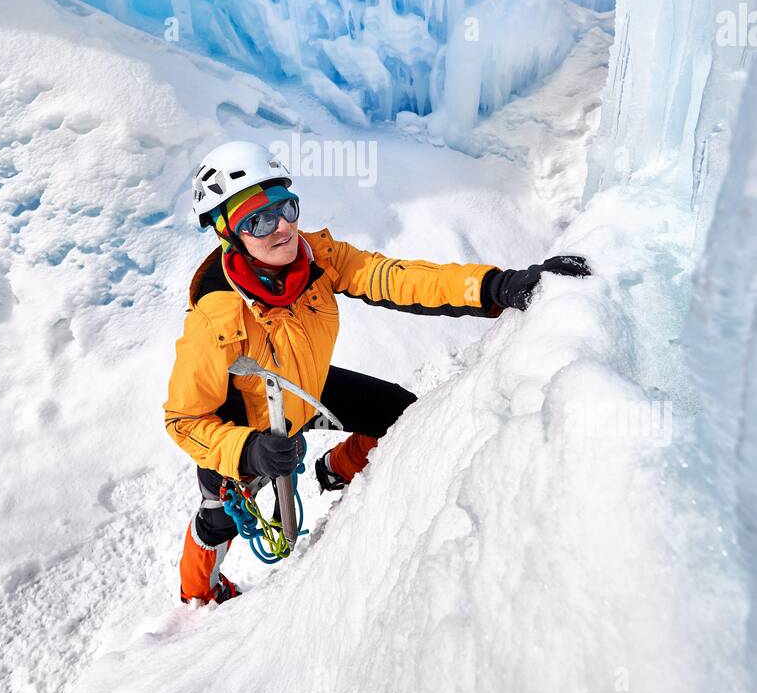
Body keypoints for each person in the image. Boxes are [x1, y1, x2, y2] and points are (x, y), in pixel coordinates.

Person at [163, 140, 591, 606]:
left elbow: (397, 277)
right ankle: (197, 598)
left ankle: (336, 470)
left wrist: (496, 285)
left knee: (402, 417)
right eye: (259, 220)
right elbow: (184, 421)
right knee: (217, 519)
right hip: (247, 433)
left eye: (286, 207)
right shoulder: (214, 320)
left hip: (304, 390)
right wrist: (249, 450)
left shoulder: (318, 259)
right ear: (229, 232)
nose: (283, 227)